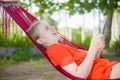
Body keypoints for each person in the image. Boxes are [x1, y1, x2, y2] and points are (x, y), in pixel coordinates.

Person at [27, 20, 120, 80]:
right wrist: (92, 49)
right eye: (47, 28)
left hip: (105, 69)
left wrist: (96, 52)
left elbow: (88, 65)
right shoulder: (54, 49)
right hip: (106, 73)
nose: (53, 28)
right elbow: (78, 76)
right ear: (41, 40)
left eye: (51, 26)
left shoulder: (60, 47)